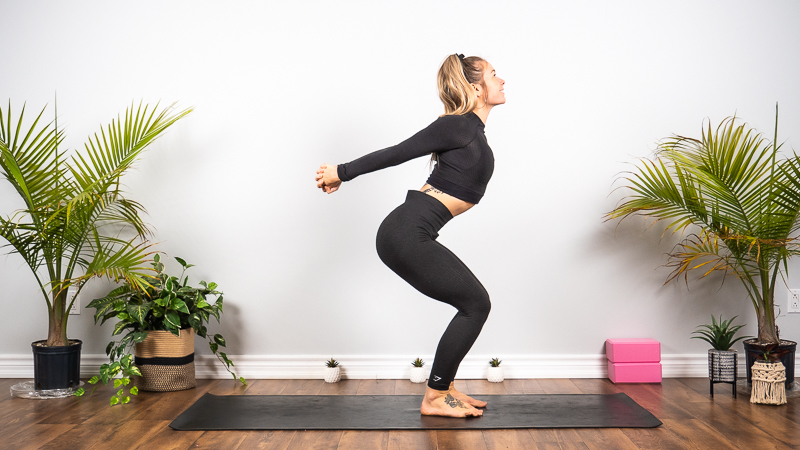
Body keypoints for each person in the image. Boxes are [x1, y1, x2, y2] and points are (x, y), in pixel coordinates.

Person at [315, 53, 505, 418]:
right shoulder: (457, 125)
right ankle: (435, 397)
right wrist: (341, 171)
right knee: (476, 305)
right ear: (476, 87)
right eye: (494, 75)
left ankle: (445, 388)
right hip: (405, 233)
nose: (502, 80)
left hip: (413, 230)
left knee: (473, 304)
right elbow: (399, 153)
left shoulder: (470, 130)